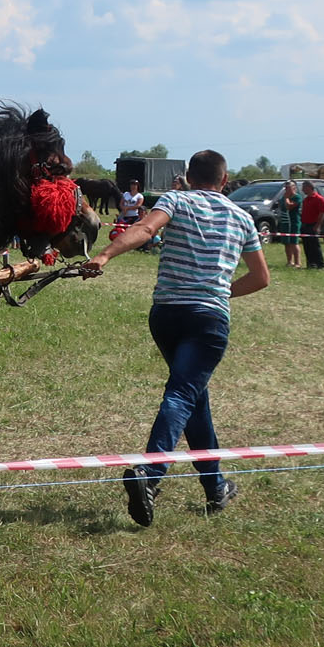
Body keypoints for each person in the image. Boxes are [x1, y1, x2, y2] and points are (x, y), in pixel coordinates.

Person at [87, 149, 269, 526]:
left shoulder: (176, 200)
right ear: (225, 179)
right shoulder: (242, 217)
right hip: (208, 320)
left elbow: (145, 229)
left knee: (192, 398)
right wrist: (219, 291)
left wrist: (104, 256)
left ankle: (216, 486)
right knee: (184, 393)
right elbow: (260, 278)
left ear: (187, 176)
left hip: (166, 315)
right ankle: (149, 477)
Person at [298, 181, 324, 269]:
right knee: (307, 245)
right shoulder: (306, 199)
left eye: (304, 188)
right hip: (305, 225)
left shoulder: (319, 199)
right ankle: (311, 263)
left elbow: (322, 213)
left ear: (309, 187)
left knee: (315, 245)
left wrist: (318, 225)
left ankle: (321, 264)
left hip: (313, 225)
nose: (303, 190)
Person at [276, 180, 303, 269]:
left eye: (288, 187)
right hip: (285, 222)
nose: (286, 189)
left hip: (294, 222)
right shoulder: (283, 198)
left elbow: (289, 206)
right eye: (285, 188)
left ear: (294, 188)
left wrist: (286, 198)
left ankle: (297, 263)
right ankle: (289, 261)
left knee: (294, 242)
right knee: (286, 242)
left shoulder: (297, 197)